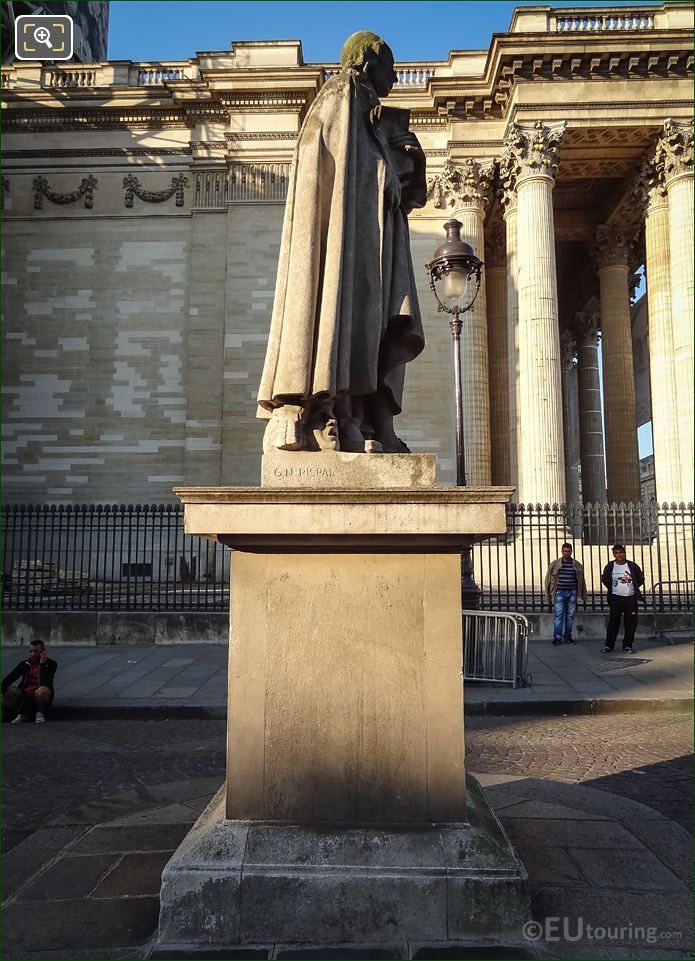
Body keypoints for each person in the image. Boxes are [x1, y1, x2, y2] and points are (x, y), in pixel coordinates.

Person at [257, 31, 427, 455]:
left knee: (376, 328)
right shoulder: (344, 93)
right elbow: (343, 166)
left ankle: (363, 421)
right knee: (345, 322)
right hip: (349, 245)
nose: (395, 76)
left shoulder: (370, 112)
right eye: (391, 67)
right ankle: (334, 415)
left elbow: (404, 195)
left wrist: (414, 161)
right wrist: (387, 166)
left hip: (375, 243)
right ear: (370, 63)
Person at [600, 544, 645, 654]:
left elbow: (640, 579)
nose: (619, 555)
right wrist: (614, 588)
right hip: (616, 598)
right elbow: (605, 579)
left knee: (631, 623)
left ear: (624, 553)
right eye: (616, 553)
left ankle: (628, 645)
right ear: (613, 554)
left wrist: (632, 587)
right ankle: (609, 645)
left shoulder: (632, 566)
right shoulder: (610, 566)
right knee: (613, 622)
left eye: (621, 552)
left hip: (630, 598)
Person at [2, 639, 57, 724]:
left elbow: (45, 682)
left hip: (39, 697)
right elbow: (9, 679)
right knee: (8, 688)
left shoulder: (51, 664)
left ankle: (40, 713)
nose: (33, 654)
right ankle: (20, 713)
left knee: (43, 690)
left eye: (35, 651)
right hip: (24, 697)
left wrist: (42, 664)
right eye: (31, 651)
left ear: (42, 652)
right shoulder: (26, 664)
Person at [544, 543, 587, 645]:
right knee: (558, 615)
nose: (567, 553)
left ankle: (568, 636)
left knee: (570, 616)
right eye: (565, 551)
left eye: (568, 551)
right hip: (559, 592)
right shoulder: (555, 564)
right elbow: (548, 580)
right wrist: (548, 594)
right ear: (561, 551)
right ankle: (557, 637)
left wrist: (583, 594)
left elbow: (582, 580)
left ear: (571, 552)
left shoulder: (577, 565)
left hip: (572, 592)